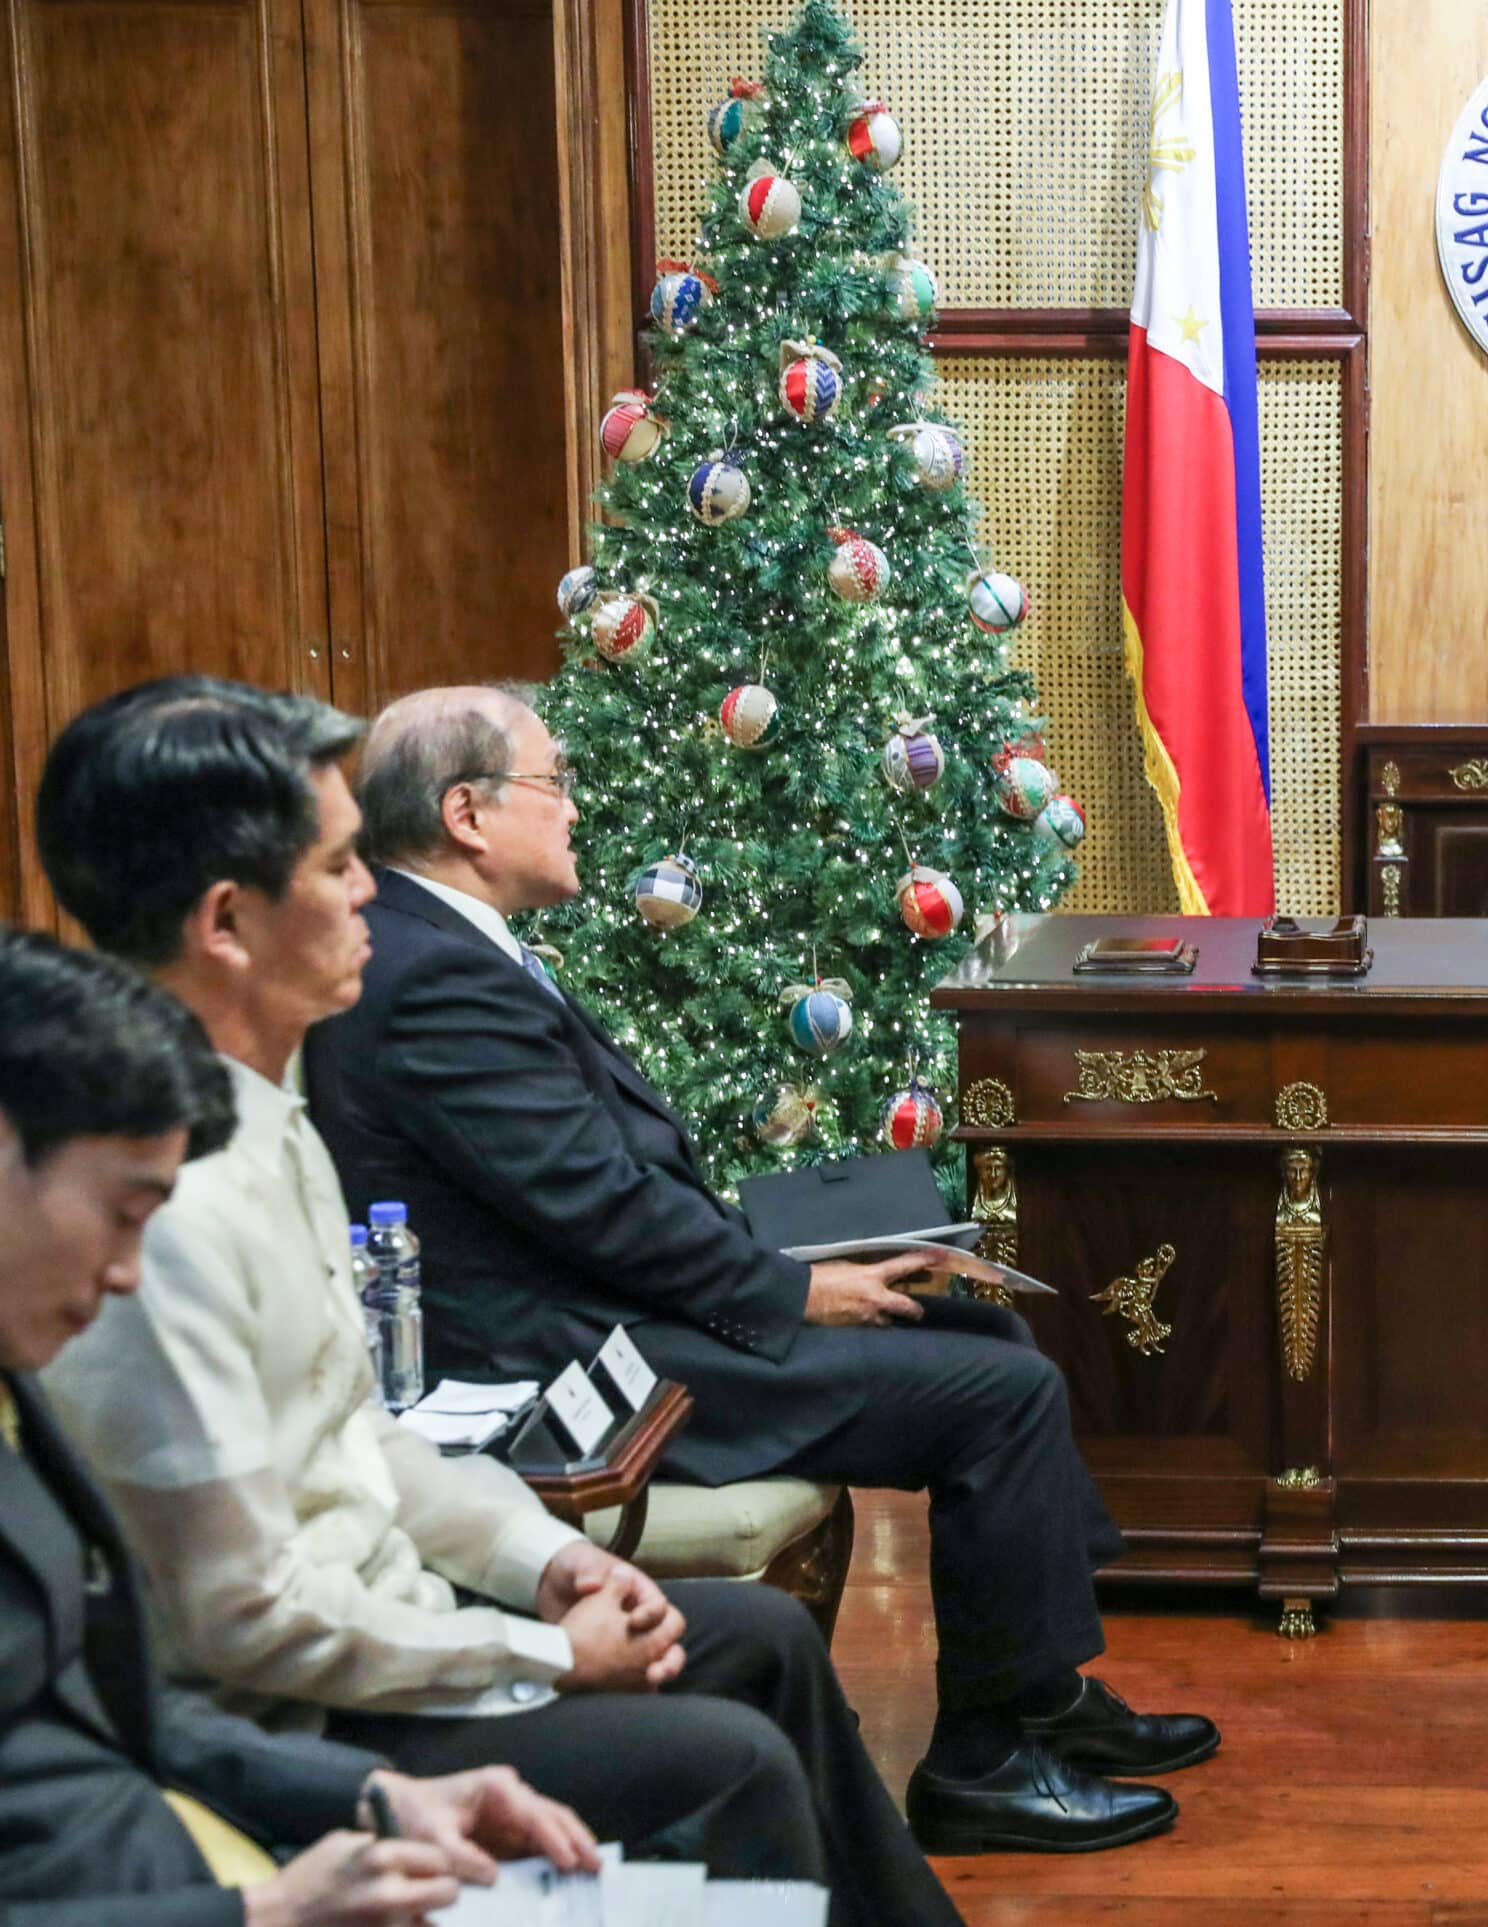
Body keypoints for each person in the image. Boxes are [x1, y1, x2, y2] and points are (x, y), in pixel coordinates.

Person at [33, 677, 961, 1924]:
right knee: (730, 1756)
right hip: (321, 1720)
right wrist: (536, 1652)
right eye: (338, 866)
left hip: (399, 1635)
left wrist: (553, 1561)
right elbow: (239, 1621)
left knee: (765, 1638)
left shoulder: (262, 1114)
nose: (372, 891)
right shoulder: (168, 1207)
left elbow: (363, 1439)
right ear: (225, 922)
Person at [299, 684, 1213, 1856]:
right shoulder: (432, 973)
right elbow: (599, 1208)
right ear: (467, 812)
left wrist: (802, 1252)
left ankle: (1039, 1692)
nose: (576, 810)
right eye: (556, 783)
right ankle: (981, 1766)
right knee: (999, 1394)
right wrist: (792, 1288)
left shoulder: (453, 947)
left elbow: (595, 1189)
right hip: (576, 1362)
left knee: (989, 1338)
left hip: (615, 1302)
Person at [0, 925, 606, 1926]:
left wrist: (374, 1797)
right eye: (120, 1212)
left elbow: (123, 1713)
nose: (125, 1274)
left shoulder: (23, 1365)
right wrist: (266, 1912)